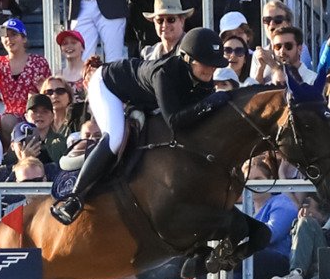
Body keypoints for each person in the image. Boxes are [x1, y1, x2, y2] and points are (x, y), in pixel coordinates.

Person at [51, 27, 227, 225]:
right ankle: (74, 199)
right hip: (107, 84)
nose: (211, 69)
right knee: (115, 138)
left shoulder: (202, 79)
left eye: (214, 65)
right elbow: (175, 121)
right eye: (205, 64)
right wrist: (210, 103)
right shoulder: (164, 73)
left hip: (140, 96)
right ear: (187, 59)